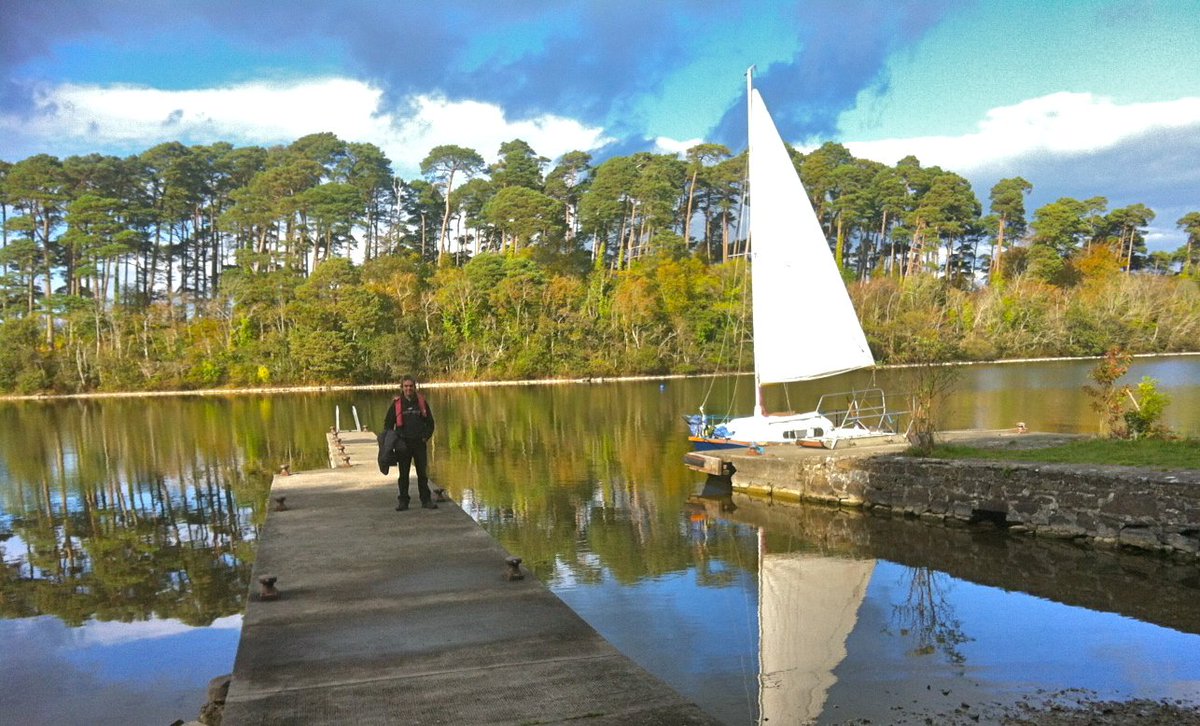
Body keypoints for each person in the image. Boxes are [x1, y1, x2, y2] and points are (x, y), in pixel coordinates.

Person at [382, 376, 437, 511]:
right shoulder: (396, 404)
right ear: (402, 387)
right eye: (406, 386)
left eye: (411, 386)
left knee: (422, 474)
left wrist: (426, 437)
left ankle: (426, 500)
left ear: (415, 387)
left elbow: (430, 423)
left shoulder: (422, 403)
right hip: (403, 445)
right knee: (404, 474)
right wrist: (393, 442)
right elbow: (388, 425)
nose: (408, 388)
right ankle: (403, 501)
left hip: (419, 443)